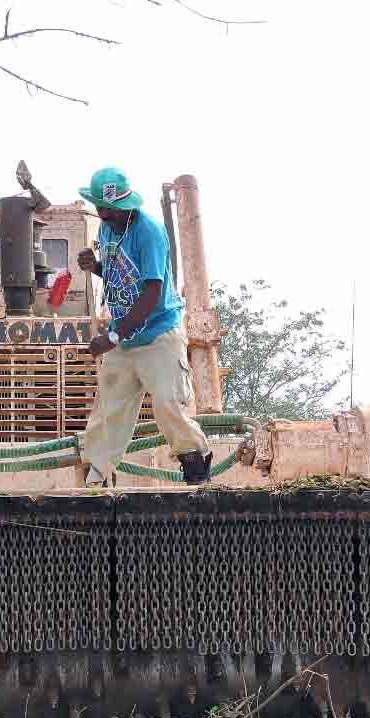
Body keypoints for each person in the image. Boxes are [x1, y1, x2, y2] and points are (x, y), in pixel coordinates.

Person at [76, 166, 212, 485]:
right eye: (99, 206)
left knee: (168, 403)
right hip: (125, 338)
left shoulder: (149, 233)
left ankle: (195, 460)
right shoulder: (108, 229)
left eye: (106, 207)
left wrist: (111, 337)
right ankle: (97, 478)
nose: (101, 212)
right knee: (108, 412)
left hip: (157, 334)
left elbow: (151, 293)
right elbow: (121, 277)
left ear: (123, 205)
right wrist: (94, 266)